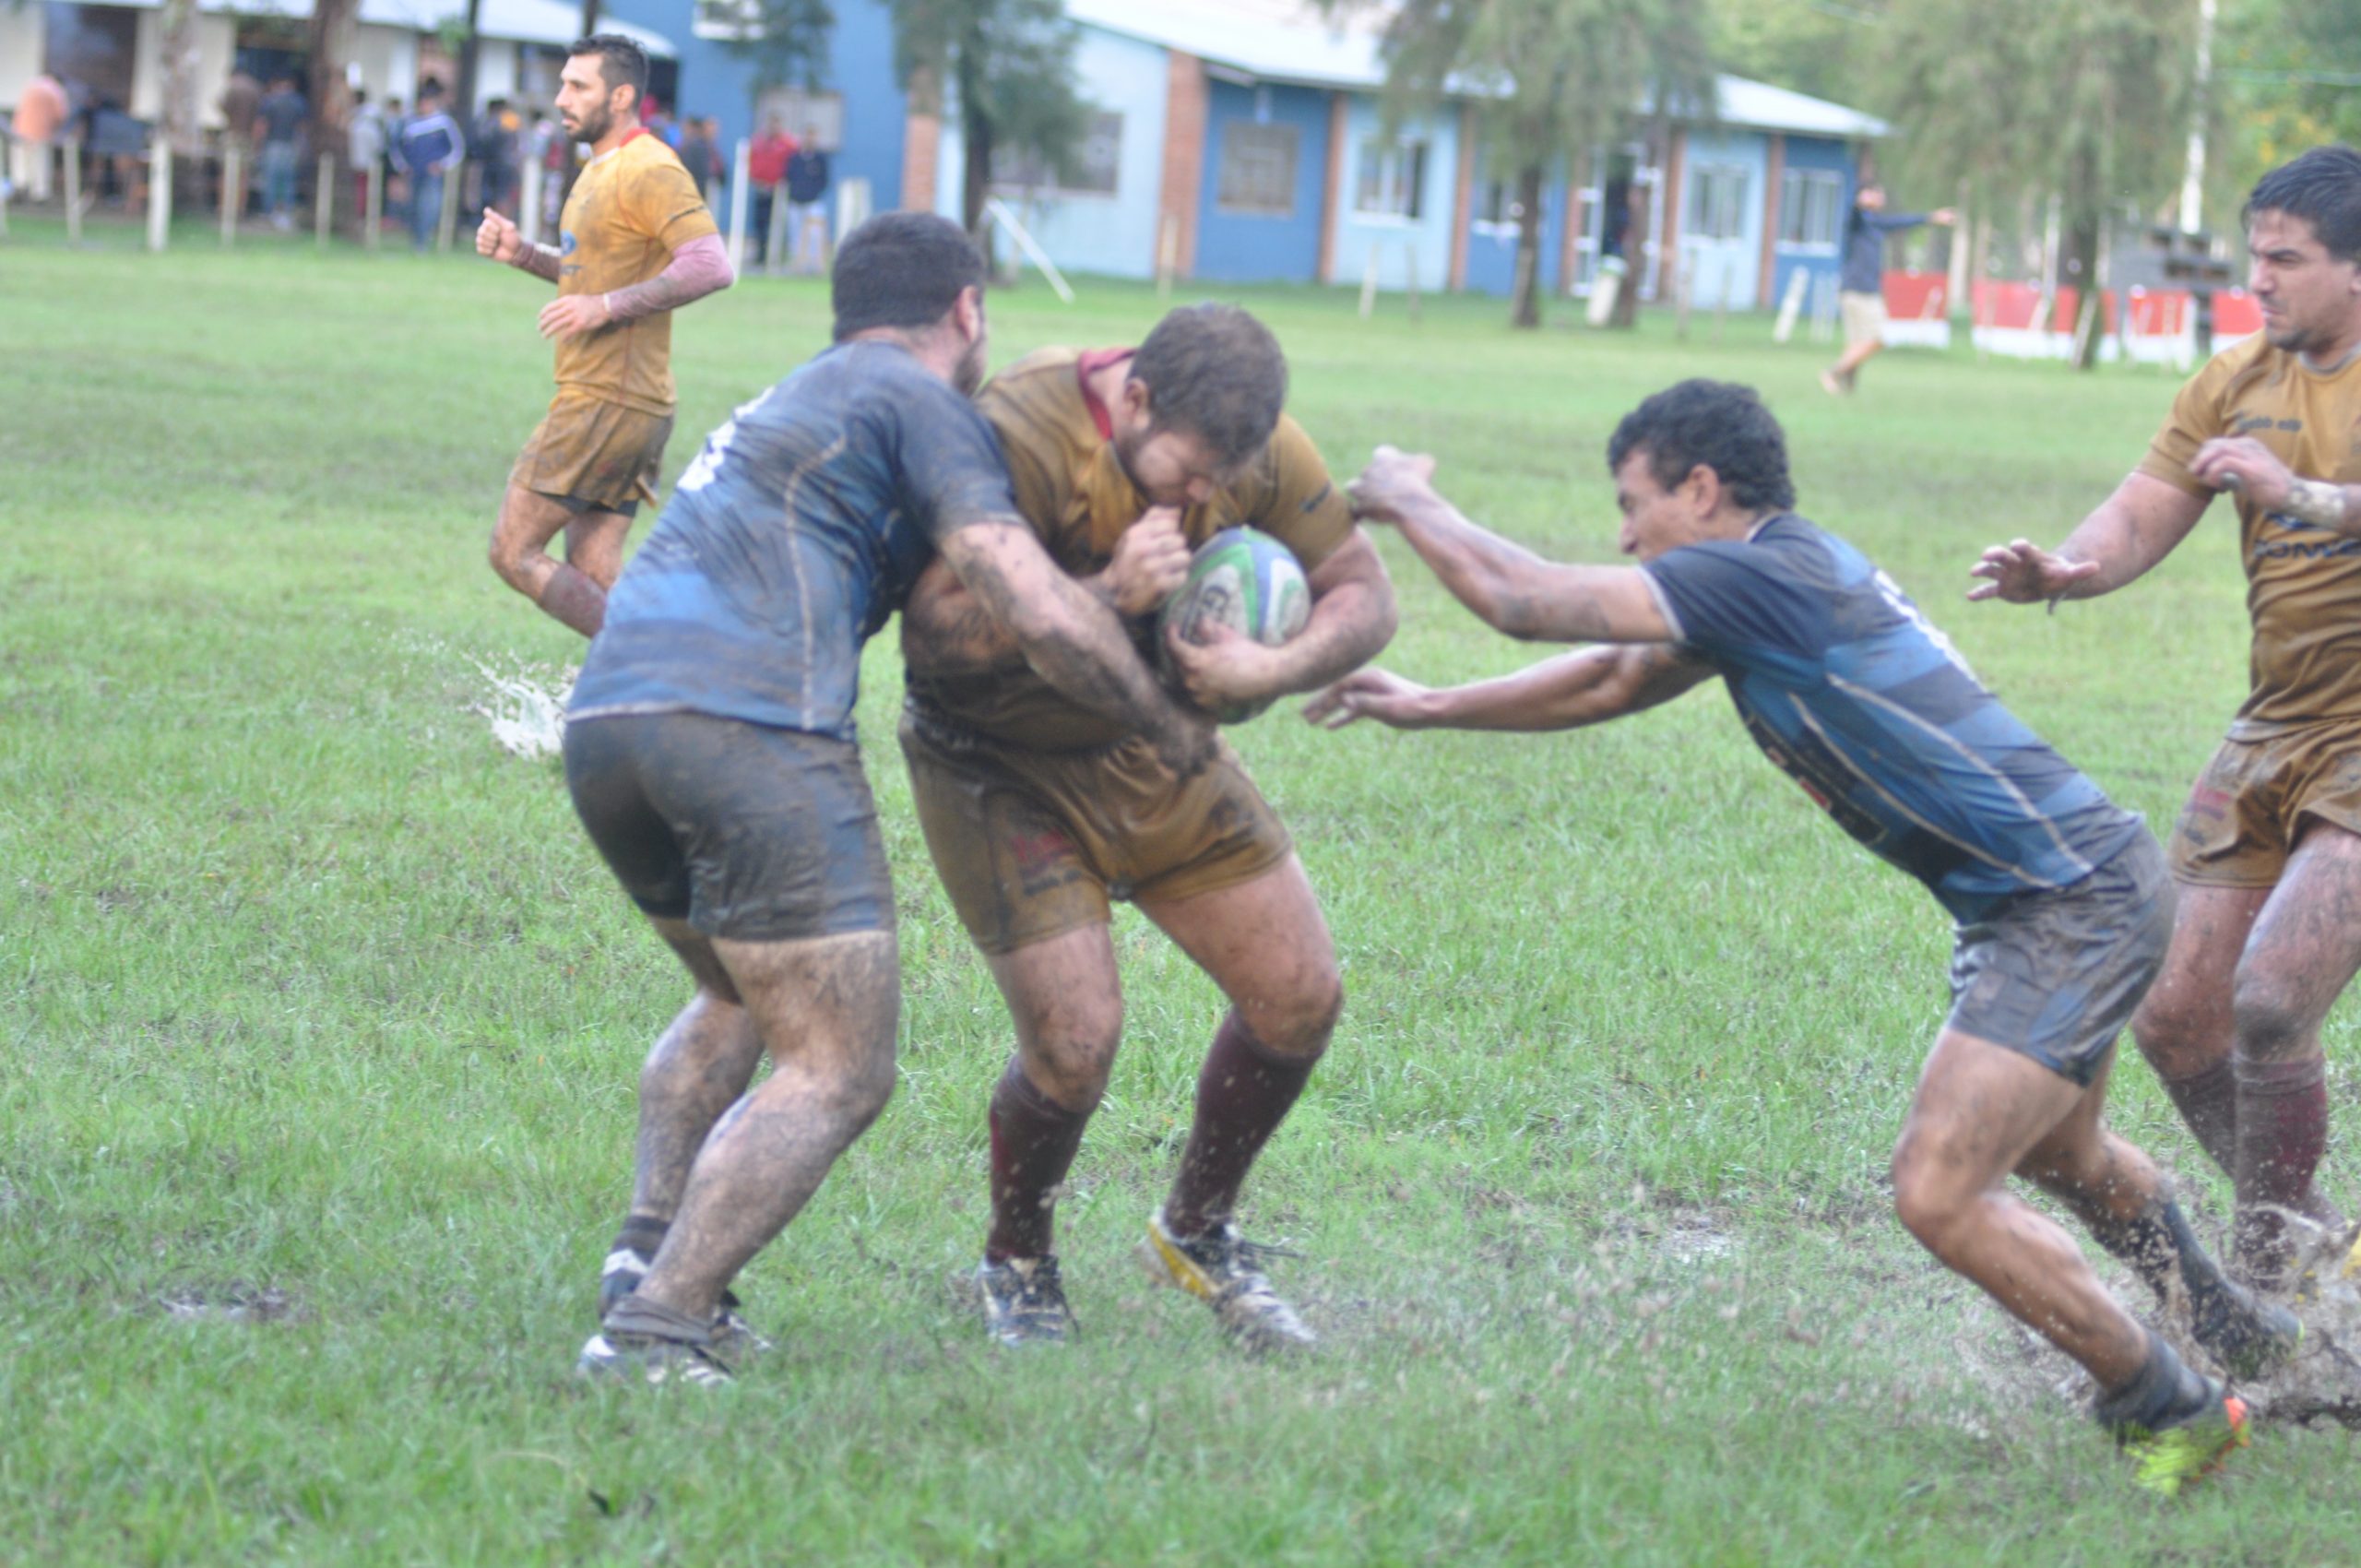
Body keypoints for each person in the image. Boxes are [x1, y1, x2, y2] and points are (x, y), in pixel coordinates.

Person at [1310, 379, 2301, 1493]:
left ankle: (2172, 1405)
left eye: (1632, 503)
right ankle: (2240, 1326)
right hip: (2061, 884)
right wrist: (1432, 704)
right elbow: (1607, 676)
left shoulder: (1756, 573)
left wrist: (1408, 499)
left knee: (1937, 1188)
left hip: (2067, 901)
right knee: (2061, 1155)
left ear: (1700, 487)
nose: (1623, 533)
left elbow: (1525, 596)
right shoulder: (1771, 576)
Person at [568, 213, 1216, 1384]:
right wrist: (1169, 722)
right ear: (966, 309)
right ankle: (653, 1328)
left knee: (735, 989)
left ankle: (642, 1257)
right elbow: (1023, 600)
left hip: (609, 721)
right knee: (841, 1065)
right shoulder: (924, 405)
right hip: (748, 732)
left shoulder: (795, 392)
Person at [896, 304, 1398, 1350]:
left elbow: (1364, 591)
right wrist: (1102, 592)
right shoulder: (1024, 426)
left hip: (1158, 746)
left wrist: (1277, 666)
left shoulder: (1245, 449)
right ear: (1132, 401)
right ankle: (1016, 1257)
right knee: (1075, 1043)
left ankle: (1196, 1231)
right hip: (995, 760)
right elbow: (933, 633)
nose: (1208, 496)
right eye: (1188, 470)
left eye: (1229, 472)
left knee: (1299, 992)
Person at [1969, 146, 2361, 1292]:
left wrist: (2301, 498)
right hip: (2275, 727)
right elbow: (2142, 511)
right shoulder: (2236, 375)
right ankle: (2322, 1248)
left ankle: (2270, 1274)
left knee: (2272, 995)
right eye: (2255, 259)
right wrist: (2068, 569)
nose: (2261, 281)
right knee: (2178, 1015)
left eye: (2284, 261)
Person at [473, 35, 732, 636]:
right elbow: (592, 276)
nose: (562, 98)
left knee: (512, 551)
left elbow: (710, 264)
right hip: (625, 402)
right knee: (593, 571)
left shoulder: (651, 166)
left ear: (621, 96)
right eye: (563, 83)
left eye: (578, 86)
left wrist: (606, 307)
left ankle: (661, 672)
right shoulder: (601, 168)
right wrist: (524, 255)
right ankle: (690, 684)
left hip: (607, 399)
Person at [1819, 181, 1953, 396]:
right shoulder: (1857, 221)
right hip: (1859, 290)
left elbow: (1900, 222)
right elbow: (1853, 215)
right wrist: (1859, 204)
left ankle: (1847, 385)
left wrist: (1930, 217)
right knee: (1877, 339)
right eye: (1873, 193)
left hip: (1861, 289)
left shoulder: (1875, 224)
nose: (1879, 197)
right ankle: (1834, 373)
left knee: (1856, 343)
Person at [392, 86, 463, 252]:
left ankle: (422, 240)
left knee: (428, 206)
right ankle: (415, 238)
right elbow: (396, 147)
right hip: (413, 173)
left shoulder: (444, 123)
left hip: (433, 174)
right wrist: (402, 166)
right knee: (412, 206)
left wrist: (442, 165)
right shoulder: (408, 123)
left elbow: (457, 149)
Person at [255, 75, 308, 230]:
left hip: (272, 145)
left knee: (270, 180)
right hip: (290, 146)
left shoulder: (270, 101)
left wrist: (258, 145)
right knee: (288, 181)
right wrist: (302, 147)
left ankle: (269, 212)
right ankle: (286, 213)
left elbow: (262, 125)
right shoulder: (299, 103)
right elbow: (302, 127)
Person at [9, 70, 69, 203]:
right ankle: (40, 193)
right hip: (41, 132)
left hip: (20, 130)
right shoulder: (56, 91)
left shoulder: (32, 85)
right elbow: (60, 115)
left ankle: (20, 187)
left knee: (21, 161)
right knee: (40, 163)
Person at [747, 114, 795, 267]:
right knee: (759, 223)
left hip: (778, 190)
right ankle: (761, 255)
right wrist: (755, 178)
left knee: (777, 223)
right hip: (761, 187)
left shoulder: (787, 144)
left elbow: (791, 165)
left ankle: (776, 255)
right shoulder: (759, 142)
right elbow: (752, 161)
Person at [785, 127, 830, 274]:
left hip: (813, 202)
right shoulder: (795, 158)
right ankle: (797, 263)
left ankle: (814, 264)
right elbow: (789, 177)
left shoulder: (820, 159)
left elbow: (824, 180)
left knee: (814, 234)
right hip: (795, 201)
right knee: (795, 232)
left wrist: (813, 192)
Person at [470, 96, 518, 217]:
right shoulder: (509, 120)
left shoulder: (491, 122)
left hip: (498, 163)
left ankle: (497, 219)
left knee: (497, 195)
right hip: (503, 163)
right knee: (499, 195)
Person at [347, 89, 386, 220]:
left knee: (366, 189)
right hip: (363, 161)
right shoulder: (365, 118)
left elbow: (377, 143)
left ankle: (366, 214)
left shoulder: (365, 119)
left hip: (367, 162)